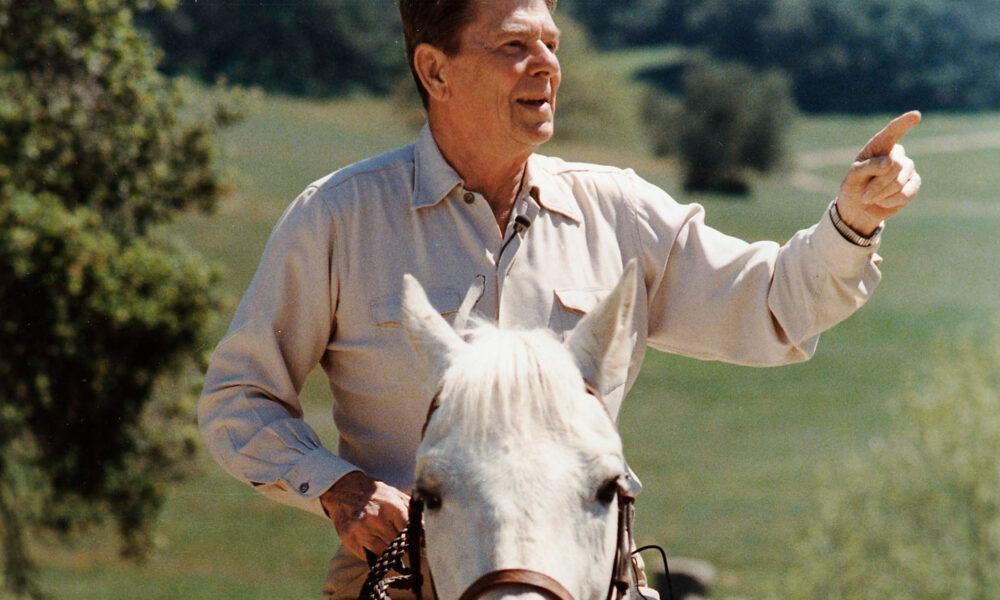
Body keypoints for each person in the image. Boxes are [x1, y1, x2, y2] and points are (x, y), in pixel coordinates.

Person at [197, 0, 922, 597]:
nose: (546, 64)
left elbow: (771, 305)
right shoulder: (338, 216)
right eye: (514, 45)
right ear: (434, 70)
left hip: (594, 576)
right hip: (397, 580)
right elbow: (238, 397)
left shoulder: (619, 210)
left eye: (552, 43)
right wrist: (339, 486)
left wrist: (853, 219)